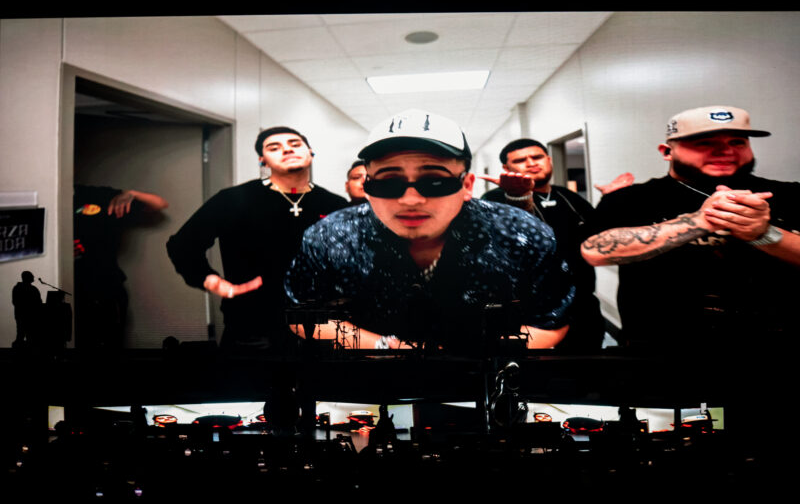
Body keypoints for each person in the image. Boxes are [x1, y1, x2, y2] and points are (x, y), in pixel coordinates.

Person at [284, 109, 574, 353]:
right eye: (388, 182)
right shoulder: (330, 236)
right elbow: (303, 316)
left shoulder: (521, 234)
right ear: (368, 188)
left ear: (467, 186)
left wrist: (465, 359)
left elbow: (549, 323)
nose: (411, 200)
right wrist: (388, 348)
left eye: (435, 181)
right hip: (368, 383)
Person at [580, 105, 800, 350]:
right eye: (704, 143)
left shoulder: (789, 194)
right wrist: (699, 221)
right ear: (667, 151)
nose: (725, 151)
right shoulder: (630, 199)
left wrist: (765, 234)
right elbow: (594, 252)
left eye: (737, 142)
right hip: (660, 347)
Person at [166, 126, 348, 349]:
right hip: (252, 326)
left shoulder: (335, 204)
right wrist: (210, 279)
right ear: (263, 160)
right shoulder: (234, 200)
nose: (287, 150)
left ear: (310, 152)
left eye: (295, 144)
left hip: (321, 326)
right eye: (274, 147)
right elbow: (183, 245)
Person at [480, 139, 609, 351]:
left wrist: (612, 200)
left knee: (587, 364)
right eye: (520, 160)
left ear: (549, 160)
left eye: (537, 157)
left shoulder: (569, 198)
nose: (531, 163)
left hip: (581, 305)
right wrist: (518, 198)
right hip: (527, 310)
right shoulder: (492, 200)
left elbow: (599, 238)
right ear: (506, 168)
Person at [73, 184, 168, 350]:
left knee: (110, 343)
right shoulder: (50, 198)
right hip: (68, 286)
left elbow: (160, 203)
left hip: (105, 285)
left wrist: (132, 193)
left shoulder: (97, 196)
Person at [11, 271, 42, 348]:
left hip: (22, 315)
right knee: (24, 335)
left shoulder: (17, 288)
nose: (33, 277)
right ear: (27, 277)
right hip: (27, 315)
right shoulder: (31, 289)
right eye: (32, 276)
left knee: (23, 335)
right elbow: (39, 302)